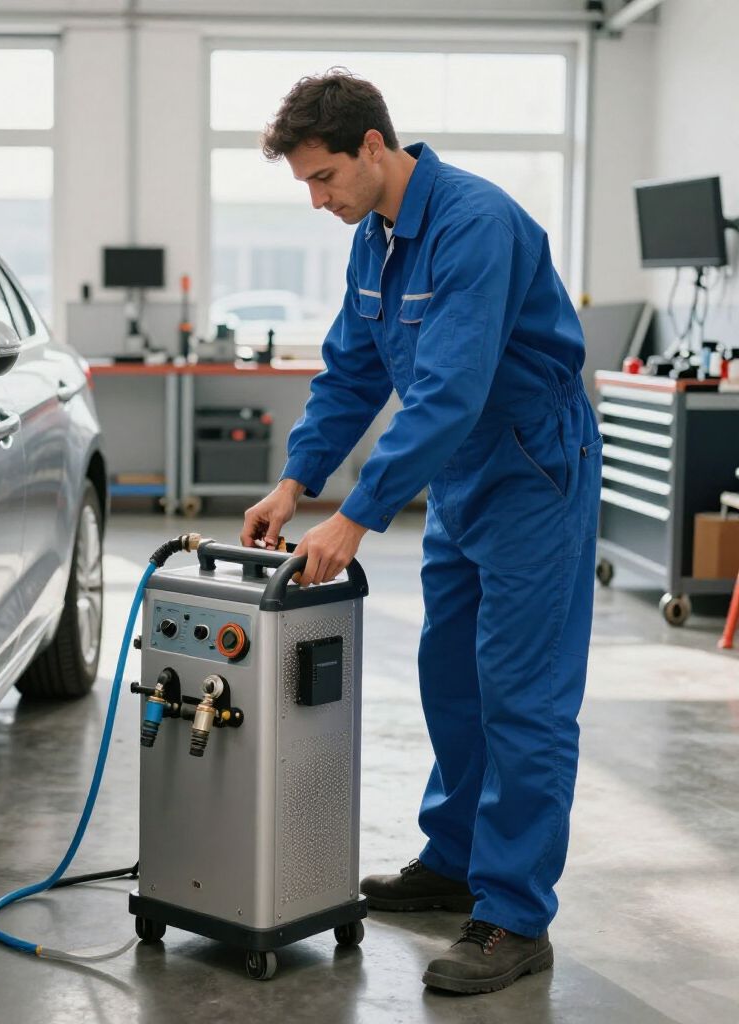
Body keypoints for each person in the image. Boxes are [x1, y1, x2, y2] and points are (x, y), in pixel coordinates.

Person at [240, 70, 602, 995]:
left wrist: (356, 515)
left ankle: (516, 916)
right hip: (460, 474)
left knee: (522, 696)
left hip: (532, 467)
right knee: (452, 676)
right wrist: (295, 483)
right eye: (306, 187)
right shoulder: (377, 240)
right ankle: (453, 860)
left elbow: (450, 389)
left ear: (372, 145)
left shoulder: (476, 225)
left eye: (323, 178)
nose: (318, 201)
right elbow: (353, 373)